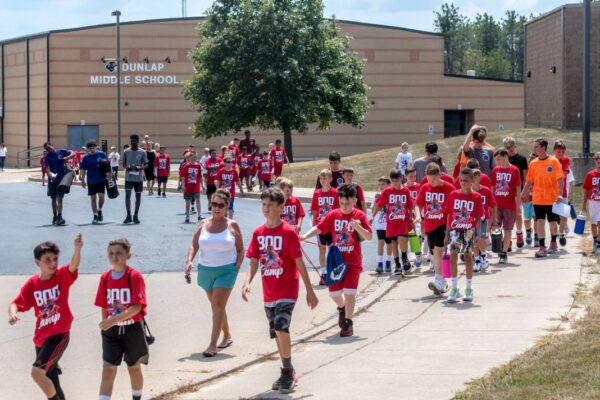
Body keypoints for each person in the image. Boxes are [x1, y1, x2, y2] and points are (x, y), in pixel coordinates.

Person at [243, 188, 319, 393]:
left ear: (280, 207)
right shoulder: (258, 233)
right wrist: (247, 282)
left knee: (281, 326)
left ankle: (287, 371)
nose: (265, 208)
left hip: (287, 289)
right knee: (277, 333)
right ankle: (287, 369)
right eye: (263, 205)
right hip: (269, 292)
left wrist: (310, 291)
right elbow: (253, 260)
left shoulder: (288, 232)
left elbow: (299, 262)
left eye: (270, 205)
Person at [8, 234, 83, 400]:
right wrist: (13, 314)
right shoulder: (32, 284)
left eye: (55, 259)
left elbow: (73, 265)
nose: (53, 263)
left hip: (58, 335)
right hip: (40, 339)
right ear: (37, 262)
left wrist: (77, 249)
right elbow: (16, 303)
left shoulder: (62, 276)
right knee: (50, 379)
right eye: (47, 260)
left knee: (37, 372)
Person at [302, 183, 372, 337]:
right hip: (336, 262)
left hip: (353, 261)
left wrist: (358, 227)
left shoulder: (359, 215)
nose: (345, 206)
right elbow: (320, 227)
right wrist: (305, 236)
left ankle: (348, 322)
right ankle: (342, 308)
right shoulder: (334, 215)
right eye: (341, 203)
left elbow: (369, 236)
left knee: (349, 293)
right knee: (334, 294)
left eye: (348, 203)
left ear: (354, 200)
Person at [185, 189, 244, 357]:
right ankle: (227, 335)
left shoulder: (232, 225)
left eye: (221, 205)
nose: (217, 208)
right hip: (205, 270)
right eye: (214, 204)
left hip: (226, 271)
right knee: (217, 306)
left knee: (217, 304)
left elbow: (240, 250)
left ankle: (212, 345)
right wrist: (189, 260)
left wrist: (237, 266)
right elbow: (194, 245)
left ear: (226, 207)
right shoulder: (203, 224)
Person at [95, 238, 148, 400]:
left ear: (128, 255)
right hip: (112, 332)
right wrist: (106, 324)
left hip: (132, 329)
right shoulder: (105, 278)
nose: (114, 256)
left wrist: (113, 319)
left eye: (118, 253)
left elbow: (137, 307)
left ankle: (136, 397)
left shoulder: (134, 276)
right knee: (108, 368)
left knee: (134, 367)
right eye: (111, 253)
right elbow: (103, 304)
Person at [444, 168, 483, 303]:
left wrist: (477, 234)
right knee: (453, 256)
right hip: (455, 230)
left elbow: (478, 217)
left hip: (469, 231)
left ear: (472, 181)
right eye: (461, 180)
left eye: (466, 181)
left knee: (467, 257)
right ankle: (454, 288)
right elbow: (449, 215)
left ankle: (468, 287)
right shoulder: (453, 195)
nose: (462, 183)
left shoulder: (476, 197)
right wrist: (447, 233)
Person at [372, 169, 420, 276]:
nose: (395, 183)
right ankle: (397, 264)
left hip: (403, 220)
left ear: (401, 178)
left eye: (396, 180)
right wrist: (373, 216)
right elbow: (379, 205)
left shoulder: (405, 191)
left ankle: (404, 258)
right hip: (391, 222)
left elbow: (410, 205)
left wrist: (414, 216)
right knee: (393, 243)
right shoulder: (387, 191)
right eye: (392, 180)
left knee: (402, 239)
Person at [521, 137, 564, 258]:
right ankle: (542, 247)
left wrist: (560, 194)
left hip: (552, 198)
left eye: (536, 147)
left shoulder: (554, 161)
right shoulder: (533, 163)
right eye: (534, 147)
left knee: (553, 222)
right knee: (539, 221)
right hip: (538, 198)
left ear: (543, 147)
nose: (534, 149)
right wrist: (522, 195)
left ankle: (553, 242)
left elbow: (560, 180)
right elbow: (528, 181)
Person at [416, 163, 455, 295]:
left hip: (443, 224)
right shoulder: (425, 187)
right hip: (429, 224)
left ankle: (438, 280)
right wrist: (417, 217)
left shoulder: (448, 188)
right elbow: (418, 205)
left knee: (438, 251)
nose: (431, 182)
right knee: (434, 252)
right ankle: (442, 281)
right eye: (429, 179)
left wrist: (450, 229)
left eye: (434, 179)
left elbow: (452, 209)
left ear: (440, 175)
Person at [491, 149, 521, 265]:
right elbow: (492, 187)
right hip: (497, 205)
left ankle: (504, 253)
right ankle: (501, 244)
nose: (497, 162)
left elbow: (518, 190)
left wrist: (518, 206)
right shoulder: (495, 170)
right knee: (495, 227)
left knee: (507, 229)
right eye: (496, 160)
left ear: (505, 156)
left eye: (498, 159)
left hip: (509, 205)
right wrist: (491, 204)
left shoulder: (514, 170)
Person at [310, 169, 340, 284]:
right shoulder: (317, 193)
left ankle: (332, 271)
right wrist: (314, 224)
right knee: (322, 250)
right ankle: (323, 273)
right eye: (321, 178)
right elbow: (314, 209)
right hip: (320, 226)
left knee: (332, 250)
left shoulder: (335, 192)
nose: (323, 180)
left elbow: (338, 207)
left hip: (332, 227)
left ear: (331, 179)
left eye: (325, 178)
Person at [503, 137, 529, 247]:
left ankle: (519, 232)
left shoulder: (521, 159)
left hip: (518, 191)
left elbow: (525, 177)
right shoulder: (503, 159)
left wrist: (524, 192)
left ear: (515, 146)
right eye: (507, 148)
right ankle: (507, 239)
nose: (510, 150)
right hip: (505, 192)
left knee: (518, 214)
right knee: (506, 216)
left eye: (511, 147)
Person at [43, 142, 75, 226]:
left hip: (62, 180)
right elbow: (47, 169)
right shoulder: (47, 157)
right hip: (52, 180)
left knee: (60, 198)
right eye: (47, 149)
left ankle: (60, 217)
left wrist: (67, 157)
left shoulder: (61, 151)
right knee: (53, 198)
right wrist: (50, 175)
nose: (49, 149)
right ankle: (55, 216)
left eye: (49, 147)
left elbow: (73, 153)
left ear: (52, 145)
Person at [80, 140, 108, 224]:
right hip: (91, 180)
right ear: (88, 149)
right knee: (93, 198)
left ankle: (99, 210)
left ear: (96, 147)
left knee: (101, 197)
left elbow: (107, 165)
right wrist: (83, 180)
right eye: (90, 148)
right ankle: (95, 215)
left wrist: (109, 174)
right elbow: (83, 169)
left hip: (101, 179)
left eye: (94, 147)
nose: (92, 149)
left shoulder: (101, 154)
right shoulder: (85, 157)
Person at [472, 169, 496, 271]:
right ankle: (477, 260)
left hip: (483, 220)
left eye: (474, 177)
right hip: (471, 221)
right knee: (473, 240)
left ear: (479, 178)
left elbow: (493, 205)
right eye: (471, 177)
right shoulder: (468, 191)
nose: (472, 180)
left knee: (480, 238)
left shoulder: (486, 190)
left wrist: (494, 219)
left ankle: (483, 256)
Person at [122, 135, 148, 224]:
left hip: (138, 178)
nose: (132, 142)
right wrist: (127, 167)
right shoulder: (126, 152)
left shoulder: (142, 152)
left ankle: (135, 215)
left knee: (138, 196)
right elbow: (123, 164)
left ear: (137, 142)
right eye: (131, 141)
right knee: (127, 196)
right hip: (128, 178)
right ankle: (128, 215)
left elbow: (146, 164)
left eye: (134, 141)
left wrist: (140, 168)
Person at [371, 176, 393, 274]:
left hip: (389, 223)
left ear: (389, 185)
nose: (381, 186)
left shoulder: (391, 195)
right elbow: (373, 209)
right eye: (379, 184)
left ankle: (388, 261)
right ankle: (380, 263)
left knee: (389, 243)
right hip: (380, 223)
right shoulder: (377, 196)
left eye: (383, 184)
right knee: (380, 242)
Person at [553, 140, 571, 246]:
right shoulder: (549, 160)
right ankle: (554, 238)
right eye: (558, 151)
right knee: (554, 218)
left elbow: (563, 174)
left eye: (562, 152)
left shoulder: (565, 160)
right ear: (554, 150)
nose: (560, 154)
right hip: (550, 193)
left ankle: (562, 234)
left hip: (562, 192)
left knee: (564, 217)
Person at [582, 152, 600, 254]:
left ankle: (599, 243)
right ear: (595, 162)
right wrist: (584, 204)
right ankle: (595, 240)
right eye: (598, 162)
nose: (599, 164)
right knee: (593, 223)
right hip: (593, 202)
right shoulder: (590, 175)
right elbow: (586, 190)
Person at [405, 165, 423, 267]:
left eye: (414, 176)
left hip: (416, 216)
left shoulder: (419, 187)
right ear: (405, 176)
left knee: (416, 236)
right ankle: (406, 258)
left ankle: (418, 254)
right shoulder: (403, 188)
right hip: (405, 217)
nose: (413, 179)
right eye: (410, 177)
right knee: (405, 238)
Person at [179, 152, 203, 223]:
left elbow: (199, 176)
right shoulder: (186, 166)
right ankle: (187, 216)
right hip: (188, 186)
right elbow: (183, 176)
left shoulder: (198, 166)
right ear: (190, 158)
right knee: (188, 201)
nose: (194, 158)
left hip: (196, 186)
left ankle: (199, 215)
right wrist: (183, 185)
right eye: (193, 157)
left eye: (195, 157)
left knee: (198, 200)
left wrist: (201, 185)